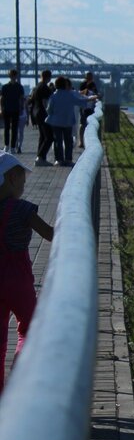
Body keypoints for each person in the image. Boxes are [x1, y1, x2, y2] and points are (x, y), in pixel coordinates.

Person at [0, 152, 54, 393]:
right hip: (19, 279)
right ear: (11, 178)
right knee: (29, 329)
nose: (23, 186)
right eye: (22, 181)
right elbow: (50, 234)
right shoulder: (22, 209)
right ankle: (21, 376)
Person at [45, 76, 98, 167]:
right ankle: (68, 159)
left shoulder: (53, 96)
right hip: (67, 121)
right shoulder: (70, 95)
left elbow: (49, 110)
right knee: (68, 141)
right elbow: (80, 101)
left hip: (56, 123)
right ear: (65, 85)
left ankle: (58, 160)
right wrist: (91, 98)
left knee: (58, 141)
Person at [28, 70, 55, 166]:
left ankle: (40, 158)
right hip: (43, 114)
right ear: (49, 77)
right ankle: (40, 157)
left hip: (36, 113)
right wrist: (50, 114)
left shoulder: (37, 87)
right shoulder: (44, 88)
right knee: (49, 137)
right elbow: (45, 102)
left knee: (43, 136)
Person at [0, 70, 24, 154]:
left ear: (16, 76)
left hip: (15, 109)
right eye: (12, 75)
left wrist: (21, 108)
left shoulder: (19, 87)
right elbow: (2, 99)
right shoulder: (5, 87)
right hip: (7, 109)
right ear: (9, 76)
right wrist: (1, 109)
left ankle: (13, 147)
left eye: (14, 75)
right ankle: (7, 145)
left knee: (14, 129)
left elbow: (21, 99)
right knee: (6, 128)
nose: (13, 77)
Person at [78, 71, 101, 149]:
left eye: (91, 77)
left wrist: (97, 96)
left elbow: (96, 93)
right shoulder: (83, 84)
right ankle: (81, 141)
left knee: (90, 124)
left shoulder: (93, 84)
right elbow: (80, 94)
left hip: (92, 107)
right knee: (83, 124)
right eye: (89, 77)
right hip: (84, 107)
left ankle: (89, 141)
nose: (90, 78)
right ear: (86, 77)